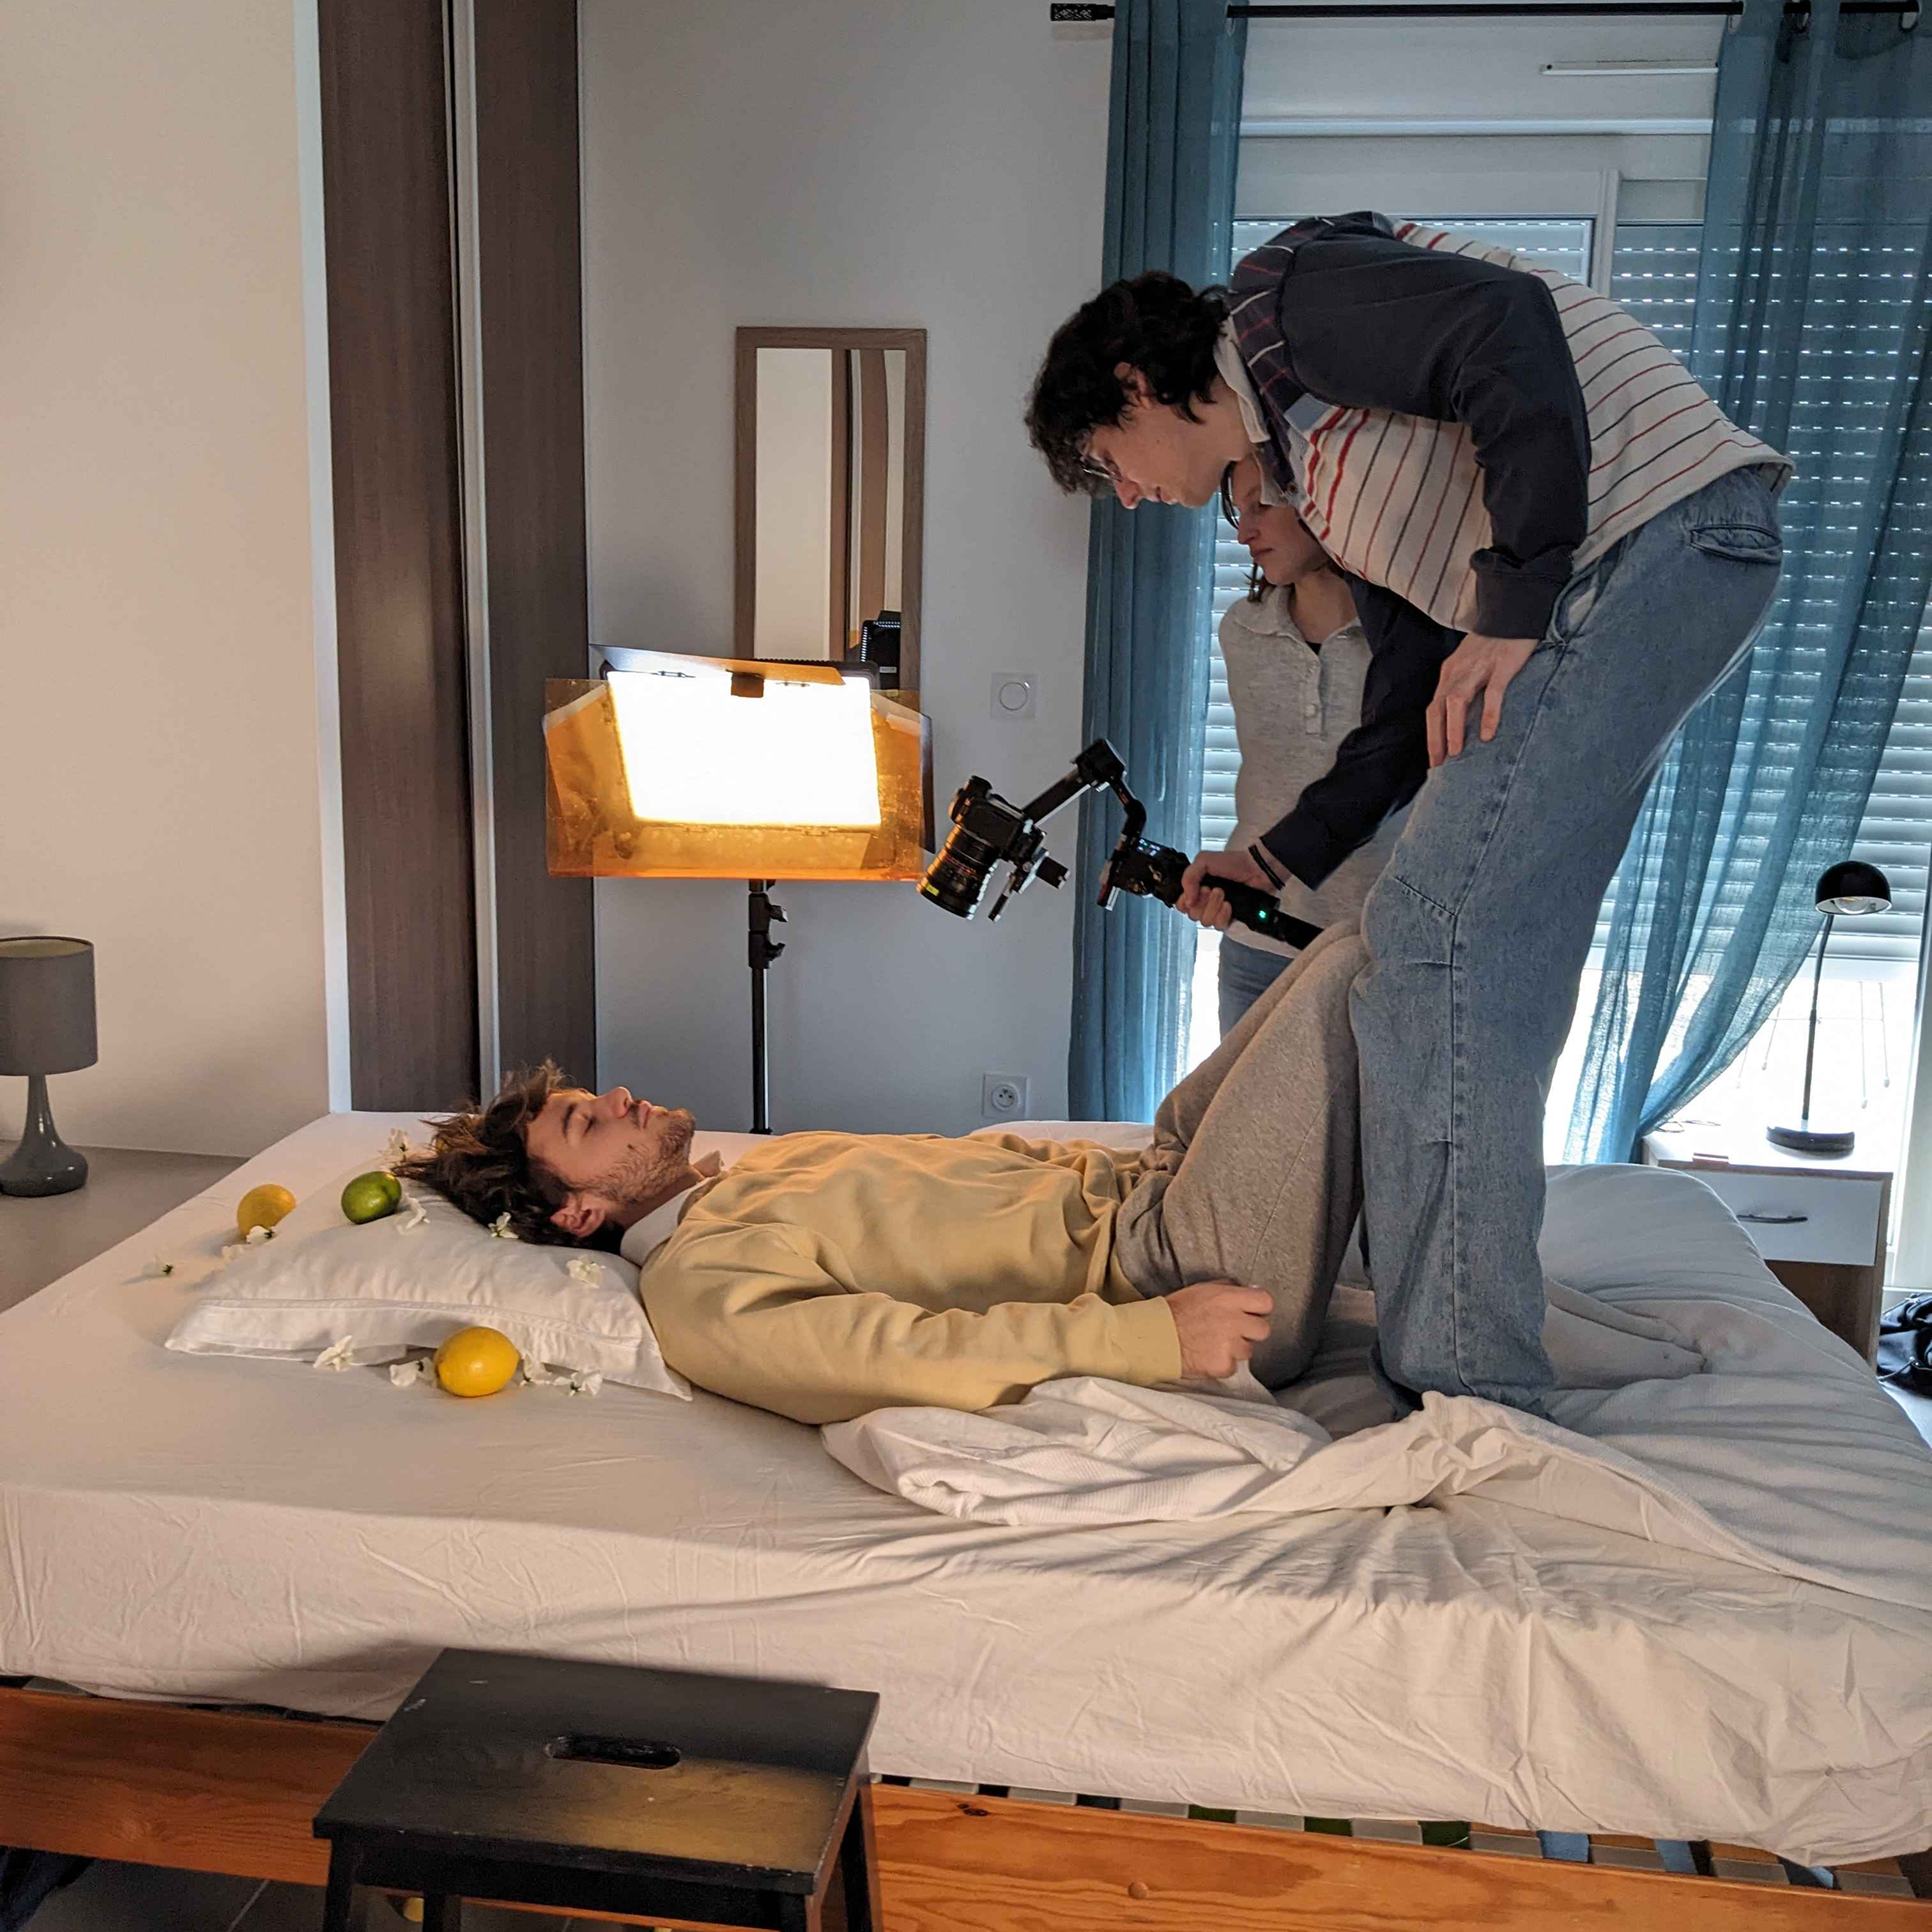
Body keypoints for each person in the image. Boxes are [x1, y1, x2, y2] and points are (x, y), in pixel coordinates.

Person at [1025, 211, 1788, 1415]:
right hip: (1655, 557)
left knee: (1428, 930)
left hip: (1650, 540)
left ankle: (1464, 1380)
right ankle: (1480, 1325)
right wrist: (1274, 855)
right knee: (1486, 949)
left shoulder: (1280, 305)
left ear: (1134, 381)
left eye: (1100, 459)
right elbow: (1402, 705)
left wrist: (1517, 597)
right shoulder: (1323, 466)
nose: (1120, 497)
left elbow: (1505, 326)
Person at [398, 929, 1371, 1425]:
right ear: (578, 1215)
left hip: (1148, 1185)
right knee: (1364, 966)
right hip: (1173, 1270)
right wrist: (1155, 1334)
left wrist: (1139, 1162)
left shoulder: (756, 1169)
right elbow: (909, 1356)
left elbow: (979, 1170)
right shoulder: (700, 1286)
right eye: (585, 1121)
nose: (616, 1096)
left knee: (1337, 940)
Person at [1179, 453, 1410, 1038]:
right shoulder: (1242, 630)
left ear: (1324, 499)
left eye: (1264, 503)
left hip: (1378, 953)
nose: (1244, 529)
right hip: (1258, 945)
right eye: (1238, 509)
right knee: (1244, 1129)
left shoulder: (1413, 644)